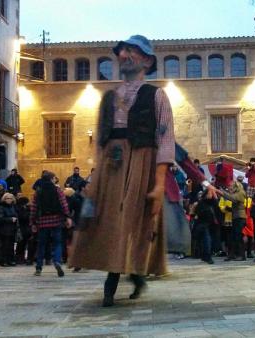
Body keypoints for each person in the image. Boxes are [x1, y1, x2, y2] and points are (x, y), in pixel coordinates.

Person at [69, 35, 175, 307]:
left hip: (141, 159)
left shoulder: (157, 95)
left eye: (133, 50)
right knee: (107, 220)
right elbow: (100, 141)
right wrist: (97, 176)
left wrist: (159, 182)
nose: (126, 54)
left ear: (147, 60)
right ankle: (127, 273)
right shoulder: (108, 98)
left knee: (130, 219)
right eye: (123, 50)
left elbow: (165, 140)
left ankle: (116, 277)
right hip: (111, 164)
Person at [30, 172, 71, 277]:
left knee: (41, 245)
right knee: (57, 243)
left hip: (42, 221)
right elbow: (64, 204)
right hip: (56, 220)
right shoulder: (57, 190)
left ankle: (39, 267)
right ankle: (57, 260)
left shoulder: (38, 191)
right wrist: (67, 217)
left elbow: (34, 208)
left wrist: (33, 222)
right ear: (52, 179)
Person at [220, 180, 248, 261]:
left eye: (232, 186)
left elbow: (233, 198)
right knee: (233, 237)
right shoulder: (237, 193)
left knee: (238, 237)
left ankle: (241, 255)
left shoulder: (241, 192)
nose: (230, 187)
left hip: (240, 217)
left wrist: (222, 192)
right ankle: (233, 254)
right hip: (236, 217)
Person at [192, 190, 218, 264]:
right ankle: (207, 257)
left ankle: (205, 256)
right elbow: (197, 214)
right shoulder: (201, 203)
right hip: (203, 225)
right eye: (209, 194)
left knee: (207, 241)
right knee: (207, 240)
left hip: (211, 225)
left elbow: (216, 204)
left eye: (211, 194)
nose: (210, 195)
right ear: (205, 195)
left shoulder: (212, 202)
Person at [0, 193, 19, 267]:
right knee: (4, 245)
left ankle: (10, 260)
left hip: (12, 229)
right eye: (7, 198)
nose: (9, 200)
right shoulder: (1, 207)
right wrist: (10, 219)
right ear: (4, 199)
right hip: (4, 229)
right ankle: (3, 260)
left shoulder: (13, 207)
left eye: (10, 198)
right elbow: (0, 218)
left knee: (11, 246)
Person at [15, 194, 33, 265]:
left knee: (26, 245)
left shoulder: (27, 209)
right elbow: (24, 217)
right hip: (24, 229)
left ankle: (25, 259)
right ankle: (22, 259)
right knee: (22, 245)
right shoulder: (20, 210)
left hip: (26, 229)